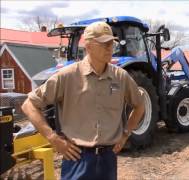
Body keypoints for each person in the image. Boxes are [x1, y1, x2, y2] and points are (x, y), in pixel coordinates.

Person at [22, 21, 145, 180]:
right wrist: (53, 138)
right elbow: (29, 105)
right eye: (104, 44)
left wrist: (126, 134)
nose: (110, 48)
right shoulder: (68, 76)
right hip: (76, 158)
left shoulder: (121, 77)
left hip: (108, 159)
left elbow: (139, 105)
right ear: (88, 46)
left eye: (111, 43)